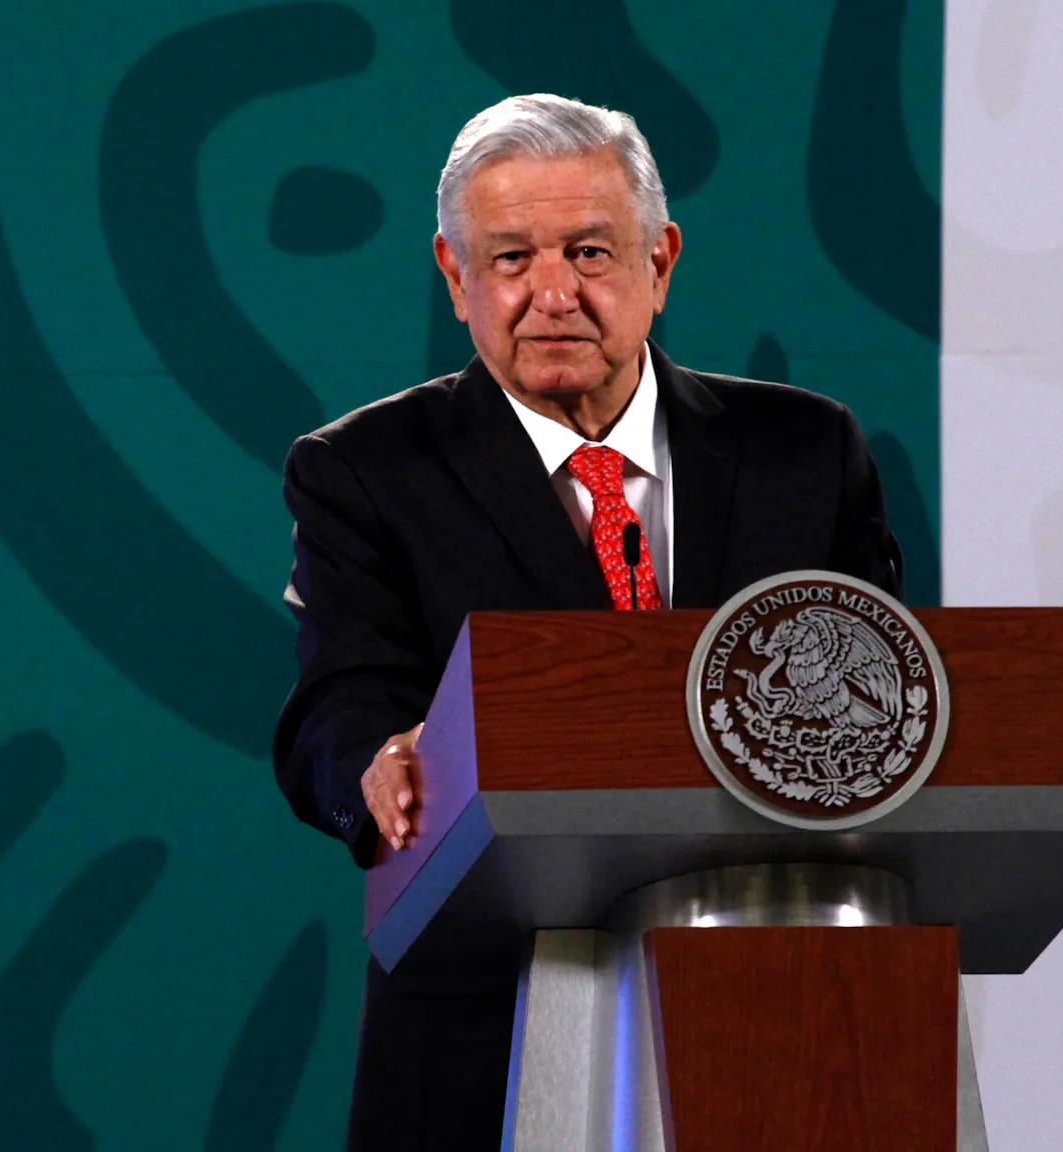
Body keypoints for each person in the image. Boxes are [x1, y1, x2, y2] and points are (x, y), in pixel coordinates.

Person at [271, 93, 903, 1149]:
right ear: (453, 276)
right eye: (510, 258)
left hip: (789, 1002)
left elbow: (890, 702)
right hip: (491, 1020)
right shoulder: (364, 472)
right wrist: (377, 763)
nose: (551, 293)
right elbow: (339, 695)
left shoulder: (803, 449)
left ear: (658, 263)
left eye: (589, 252)